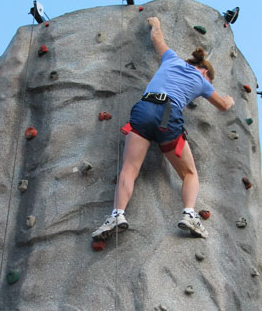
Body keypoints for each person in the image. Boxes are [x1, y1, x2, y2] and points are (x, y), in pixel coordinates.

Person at [92, 17, 235, 240]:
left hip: (144, 109)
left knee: (129, 168)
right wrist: (230, 100)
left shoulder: (171, 59)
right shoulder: (202, 81)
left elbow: (157, 37)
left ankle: (117, 214)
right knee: (189, 173)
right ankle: (189, 214)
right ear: (205, 73)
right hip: (167, 115)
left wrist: (155, 22)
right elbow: (223, 106)